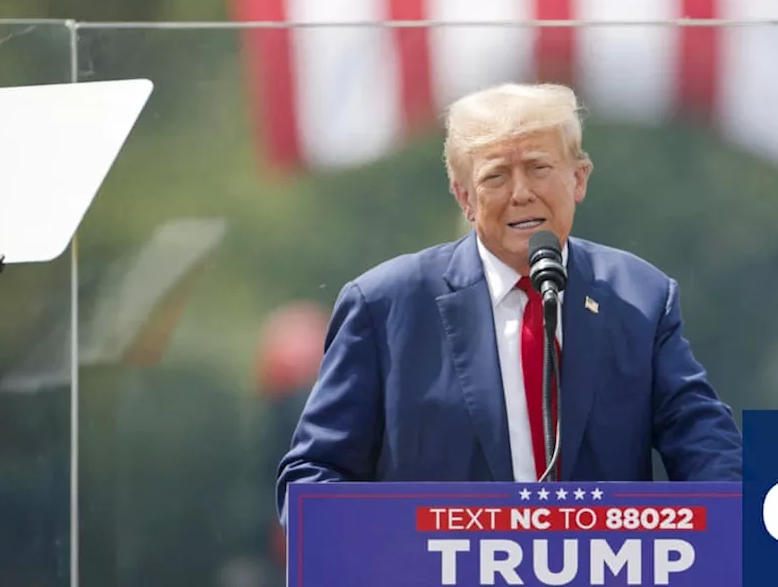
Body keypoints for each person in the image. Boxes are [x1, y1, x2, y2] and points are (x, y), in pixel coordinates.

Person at [275, 82, 742, 524]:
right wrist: (384, 552)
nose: (521, 193)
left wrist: (728, 528)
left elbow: (705, 445)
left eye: (539, 168)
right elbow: (313, 479)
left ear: (579, 179)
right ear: (465, 197)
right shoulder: (385, 307)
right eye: (495, 176)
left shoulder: (639, 296)